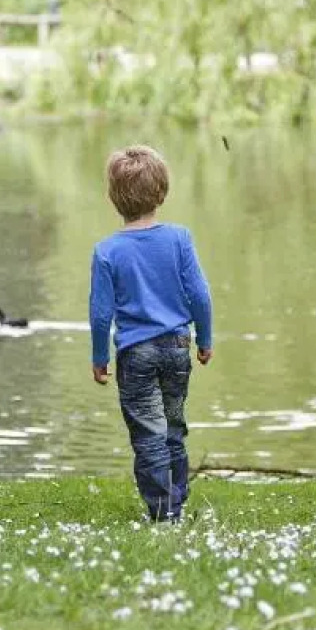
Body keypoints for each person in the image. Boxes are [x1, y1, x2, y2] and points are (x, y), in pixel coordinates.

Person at [89, 145, 213, 522]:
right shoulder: (180, 239)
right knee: (173, 426)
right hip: (177, 347)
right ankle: (176, 500)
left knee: (148, 434)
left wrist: (99, 357)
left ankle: (162, 512)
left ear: (114, 198)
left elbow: (100, 314)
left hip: (136, 354)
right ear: (162, 191)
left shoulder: (107, 251)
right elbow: (200, 296)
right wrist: (204, 338)